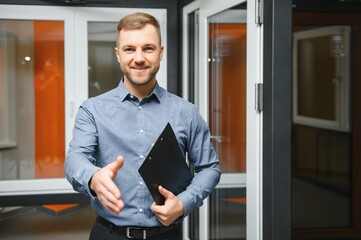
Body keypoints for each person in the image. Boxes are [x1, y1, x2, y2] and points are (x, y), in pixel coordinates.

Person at [64, 12, 221, 240]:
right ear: (118, 55)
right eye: (129, 49)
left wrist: (183, 204)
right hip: (108, 234)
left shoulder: (185, 112)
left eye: (148, 48)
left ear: (161, 52)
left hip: (166, 234)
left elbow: (210, 168)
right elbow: (74, 159)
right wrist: (93, 177)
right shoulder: (92, 110)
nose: (139, 58)